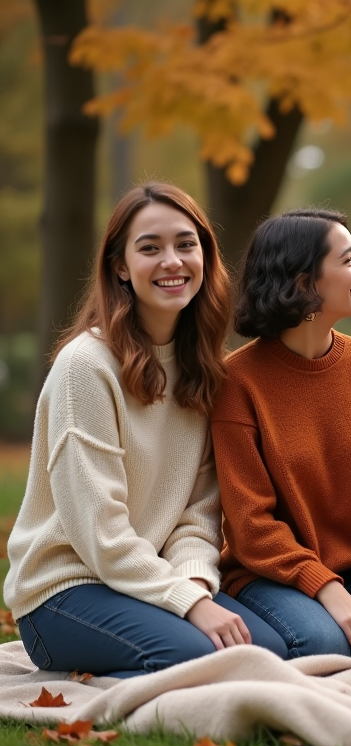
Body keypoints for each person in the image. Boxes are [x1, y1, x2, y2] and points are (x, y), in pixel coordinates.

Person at [3, 183, 287, 677]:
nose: (172, 261)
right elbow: (100, 534)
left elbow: (198, 514)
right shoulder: (85, 368)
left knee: (265, 651)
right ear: (120, 267)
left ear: (205, 255)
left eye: (185, 244)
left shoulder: (202, 368)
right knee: (200, 657)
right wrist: (186, 604)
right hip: (64, 592)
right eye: (149, 248)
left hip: (142, 580)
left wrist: (195, 586)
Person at [211, 208, 351, 658]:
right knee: (323, 642)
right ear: (304, 283)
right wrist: (328, 592)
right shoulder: (237, 382)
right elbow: (251, 525)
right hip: (271, 574)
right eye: (349, 259)